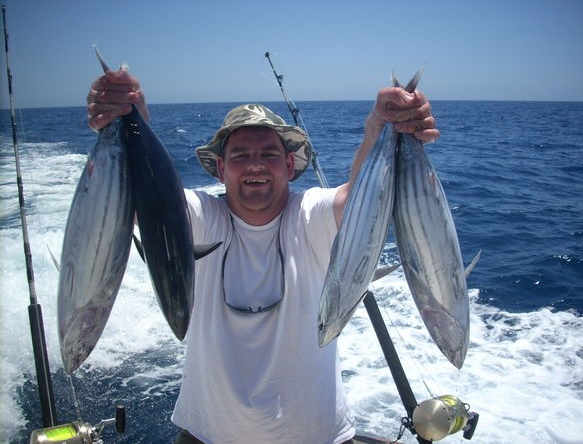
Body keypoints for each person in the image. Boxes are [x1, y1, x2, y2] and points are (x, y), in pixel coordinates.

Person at [86, 68, 439, 444]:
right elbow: (147, 203)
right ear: (221, 169)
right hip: (206, 436)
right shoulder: (201, 217)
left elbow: (358, 201)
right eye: (240, 155)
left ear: (289, 166)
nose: (255, 164)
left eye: (269, 154)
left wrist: (378, 126)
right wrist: (130, 122)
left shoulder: (310, 215)